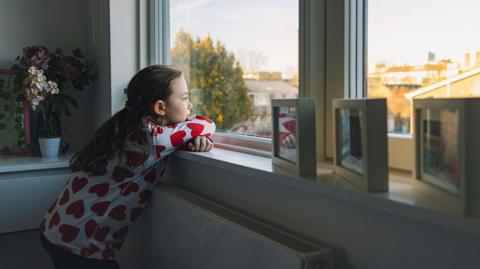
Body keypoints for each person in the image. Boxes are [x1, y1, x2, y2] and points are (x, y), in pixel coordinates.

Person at [39, 65, 216, 269]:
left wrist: (189, 138)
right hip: (82, 244)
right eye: (184, 98)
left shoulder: (129, 127)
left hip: (56, 227)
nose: (190, 104)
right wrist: (196, 134)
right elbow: (206, 124)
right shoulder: (153, 138)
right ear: (160, 107)